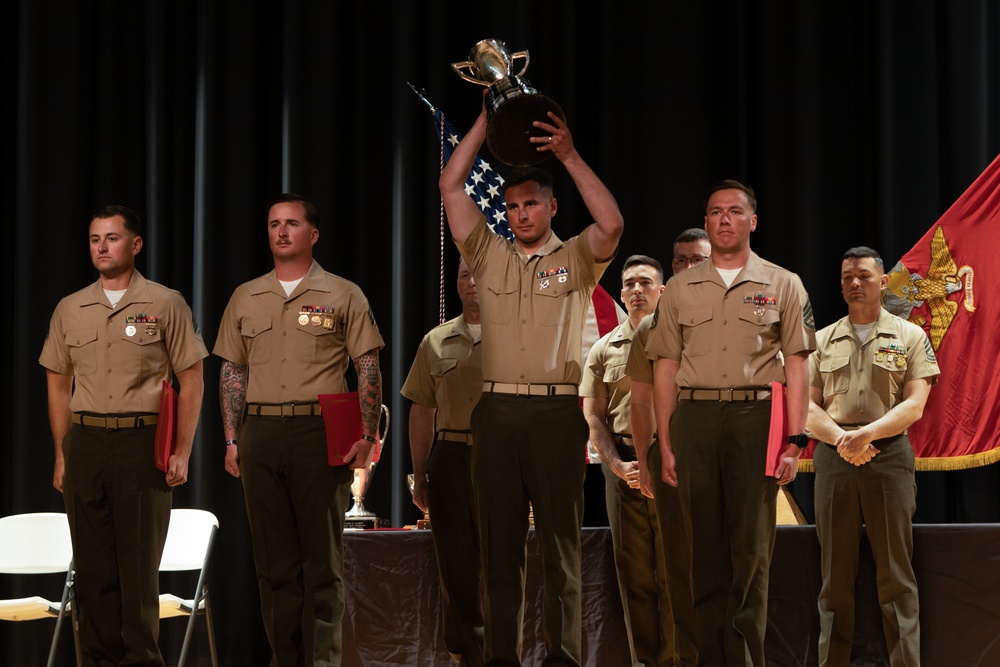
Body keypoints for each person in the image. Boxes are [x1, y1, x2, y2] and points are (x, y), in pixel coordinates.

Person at [439, 101, 624, 667]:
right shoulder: (487, 255)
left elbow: (612, 223)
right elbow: (450, 186)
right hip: (494, 412)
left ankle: (564, 658)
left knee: (563, 548)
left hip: (554, 415)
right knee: (499, 550)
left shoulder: (574, 259)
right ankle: (501, 659)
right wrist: (484, 124)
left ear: (551, 206)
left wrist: (566, 153)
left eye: (532, 204)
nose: (521, 214)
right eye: (513, 206)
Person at [646, 180, 816, 666]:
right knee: (702, 551)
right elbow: (666, 368)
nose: (724, 219)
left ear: (752, 221)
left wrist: (794, 438)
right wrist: (668, 439)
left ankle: (744, 660)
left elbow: (799, 363)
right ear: (706, 221)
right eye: (716, 212)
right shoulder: (678, 288)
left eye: (735, 211)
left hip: (755, 417)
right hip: (694, 418)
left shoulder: (783, 283)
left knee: (750, 550)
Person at [213, 193, 384, 666]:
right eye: (273, 224)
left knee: (322, 565)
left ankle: (323, 661)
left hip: (317, 434)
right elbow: (232, 372)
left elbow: (366, 366)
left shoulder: (343, 293)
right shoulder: (246, 296)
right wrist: (231, 438)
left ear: (313, 234)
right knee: (274, 567)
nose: (281, 231)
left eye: (291, 223)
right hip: (260, 434)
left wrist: (368, 436)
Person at [40, 204, 207, 666]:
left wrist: (183, 449)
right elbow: (57, 382)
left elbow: (191, 376)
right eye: (95, 239)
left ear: (134, 244)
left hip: (141, 442)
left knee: (137, 574)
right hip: (86, 442)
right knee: (92, 572)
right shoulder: (70, 308)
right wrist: (61, 452)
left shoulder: (165, 302)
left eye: (112, 238)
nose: (101, 247)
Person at [806, 246, 938, 667]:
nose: (854, 284)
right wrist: (844, 440)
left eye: (863, 275)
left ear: (883, 282)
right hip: (833, 458)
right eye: (847, 277)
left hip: (889, 457)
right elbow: (805, 407)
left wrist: (866, 436)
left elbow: (915, 404)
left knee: (897, 577)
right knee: (834, 580)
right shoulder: (820, 340)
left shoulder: (910, 336)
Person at [626, 229, 711, 667]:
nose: (689, 268)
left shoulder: (743, 312)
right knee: (676, 570)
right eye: (681, 261)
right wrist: (644, 462)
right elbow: (639, 401)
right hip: (671, 456)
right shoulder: (652, 328)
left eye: (698, 259)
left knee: (735, 565)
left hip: (727, 451)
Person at [581, 254, 671, 666]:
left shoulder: (679, 343)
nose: (637, 290)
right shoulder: (603, 349)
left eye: (646, 283)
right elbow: (594, 417)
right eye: (630, 284)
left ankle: (676, 659)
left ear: (662, 290)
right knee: (634, 575)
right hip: (624, 467)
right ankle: (646, 662)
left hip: (671, 464)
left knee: (676, 570)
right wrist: (616, 465)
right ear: (621, 293)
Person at [401, 257, 485, 667]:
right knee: (455, 568)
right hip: (450, 458)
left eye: (479, 273)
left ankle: (502, 655)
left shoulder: (517, 336)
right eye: (463, 275)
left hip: (500, 456)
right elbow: (421, 411)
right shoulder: (435, 341)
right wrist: (420, 475)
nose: (471, 282)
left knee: (504, 566)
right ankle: (466, 657)